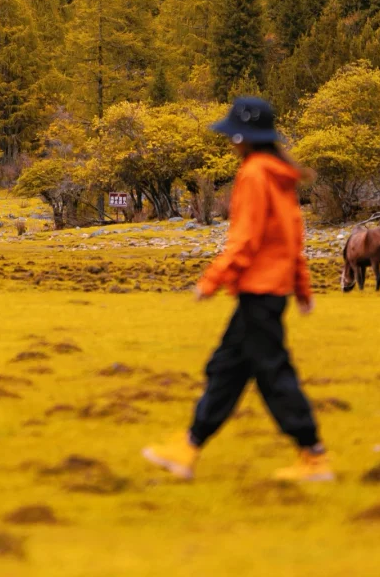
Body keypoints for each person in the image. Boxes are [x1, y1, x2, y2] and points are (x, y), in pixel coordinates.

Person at [142, 95, 333, 483]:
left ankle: (314, 458)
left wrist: (211, 280)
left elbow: (245, 239)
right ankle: (188, 449)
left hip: (259, 292)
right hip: (269, 291)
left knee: (273, 374)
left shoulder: (254, 175)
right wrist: (301, 287)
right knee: (226, 369)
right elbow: (292, 237)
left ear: (243, 138)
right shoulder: (280, 176)